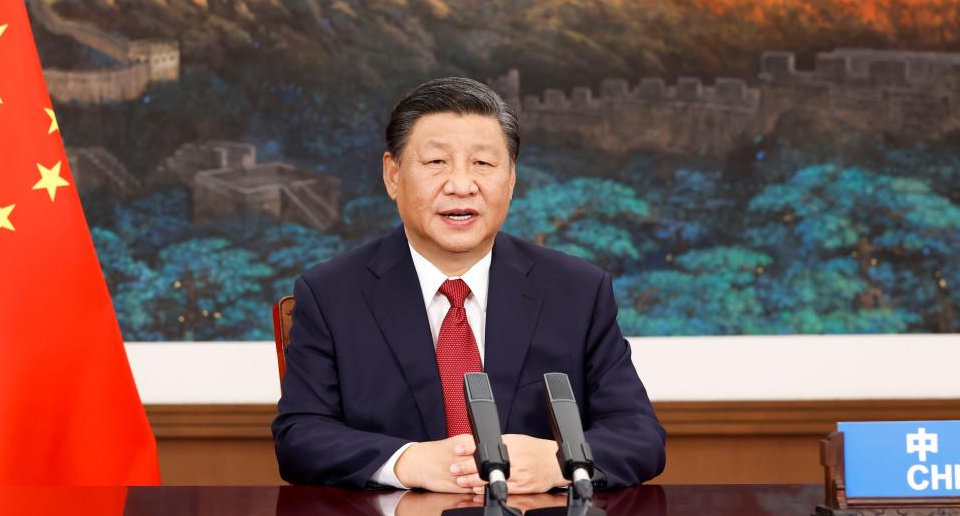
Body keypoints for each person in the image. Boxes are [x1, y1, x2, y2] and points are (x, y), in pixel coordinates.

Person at [272, 77, 665, 492]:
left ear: (511, 178)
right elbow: (300, 437)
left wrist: (557, 462)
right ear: (392, 175)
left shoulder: (577, 291)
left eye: (483, 164)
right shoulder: (332, 294)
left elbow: (639, 435)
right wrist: (407, 461)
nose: (461, 185)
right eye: (436, 162)